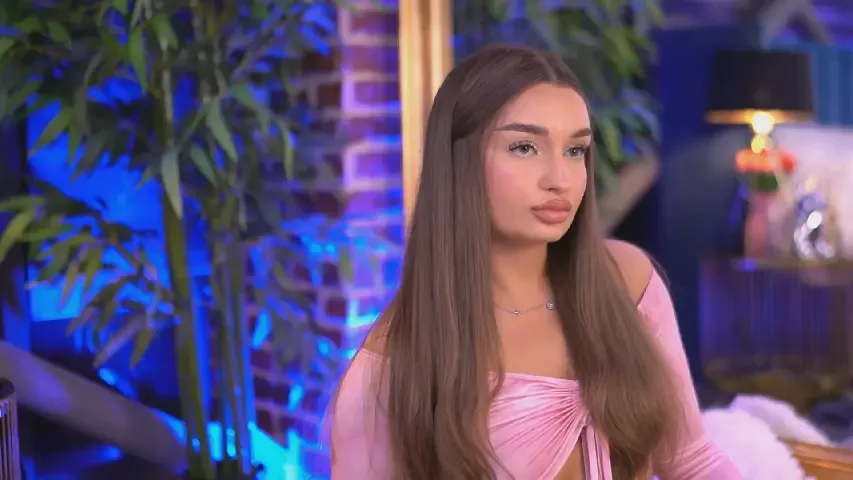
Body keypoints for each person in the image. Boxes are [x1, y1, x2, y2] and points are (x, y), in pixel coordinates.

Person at [327, 45, 741, 479]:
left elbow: (693, 460)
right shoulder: (392, 363)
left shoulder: (628, 281)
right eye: (525, 147)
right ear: (459, 161)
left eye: (575, 150)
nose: (559, 180)